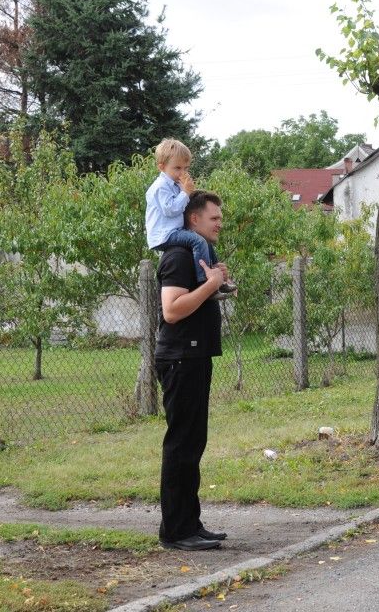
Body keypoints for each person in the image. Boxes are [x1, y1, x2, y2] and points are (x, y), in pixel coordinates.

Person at [156, 190, 230, 551]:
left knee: (193, 443)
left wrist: (218, 287)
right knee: (182, 445)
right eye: (214, 218)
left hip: (195, 358)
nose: (219, 224)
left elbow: (196, 299)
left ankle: (190, 524)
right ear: (194, 219)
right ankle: (175, 531)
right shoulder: (178, 256)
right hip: (180, 359)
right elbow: (172, 310)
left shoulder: (196, 256)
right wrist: (211, 286)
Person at [146, 139, 236, 299]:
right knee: (198, 241)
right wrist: (185, 192)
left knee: (204, 241)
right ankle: (205, 283)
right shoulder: (160, 187)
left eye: (186, 168)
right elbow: (171, 210)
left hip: (175, 230)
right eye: (177, 168)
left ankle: (219, 278)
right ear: (161, 166)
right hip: (165, 234)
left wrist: (187, 191)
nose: (183, 173)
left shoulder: (174, 184)